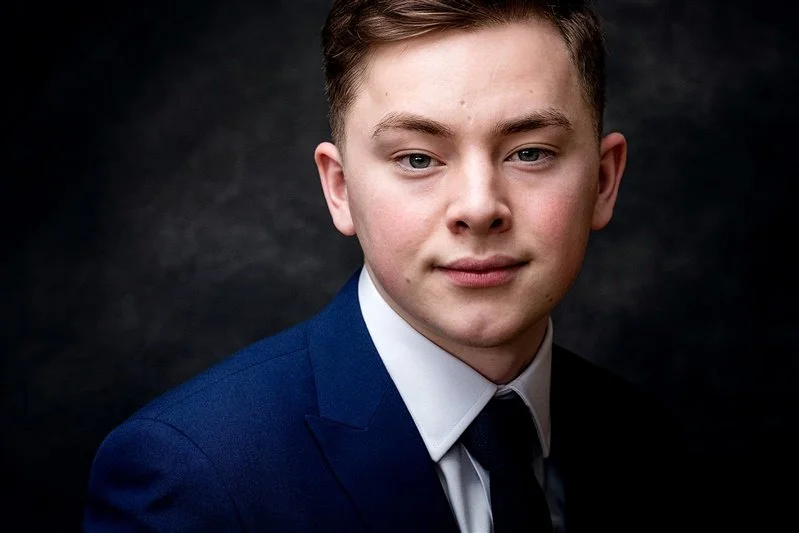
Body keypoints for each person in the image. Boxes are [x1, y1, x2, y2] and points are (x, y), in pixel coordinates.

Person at [84, 1, 690, 531]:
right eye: (418, 158)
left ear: (605, 181)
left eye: (530, 152)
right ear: (340, 189)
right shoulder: (192, 476)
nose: (479, 208)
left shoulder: (649, 444)